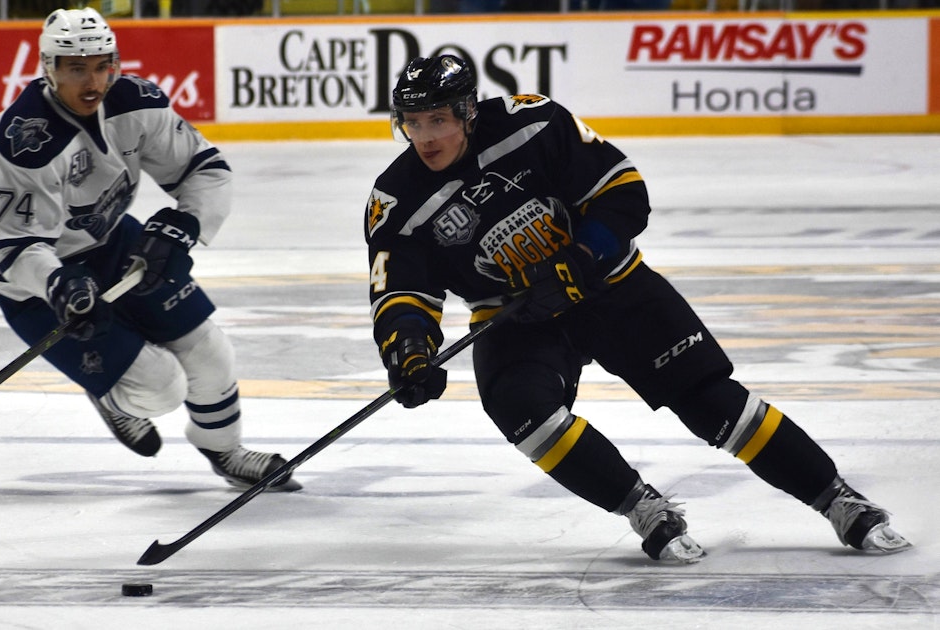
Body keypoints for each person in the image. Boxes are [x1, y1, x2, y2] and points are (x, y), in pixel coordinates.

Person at [363, 54, 909, 562]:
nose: (426, 137)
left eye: (438, 120)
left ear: (466, 112)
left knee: (710, 402)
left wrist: (580, 256)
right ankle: (643, 508)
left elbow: (623, 191)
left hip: (610, 285)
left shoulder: (534, 124)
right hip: (516, 314)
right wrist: (409, 351)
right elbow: (401, 292)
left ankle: (836, 498)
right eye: (413, 122)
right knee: (520, 409)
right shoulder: (396, 199)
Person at [0, 8, 299, 492]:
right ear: (49, 68)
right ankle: (111, 399)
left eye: (103, 65)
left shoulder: (136, 104)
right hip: (30, 275)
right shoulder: (25, 139)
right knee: (160, 385)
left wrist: (182, 225)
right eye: (76, 68)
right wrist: (56, 282)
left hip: (109, 240)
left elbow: (204, 169)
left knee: (209, 352)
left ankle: (225, 451)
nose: (93, 82)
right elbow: (15, 243)